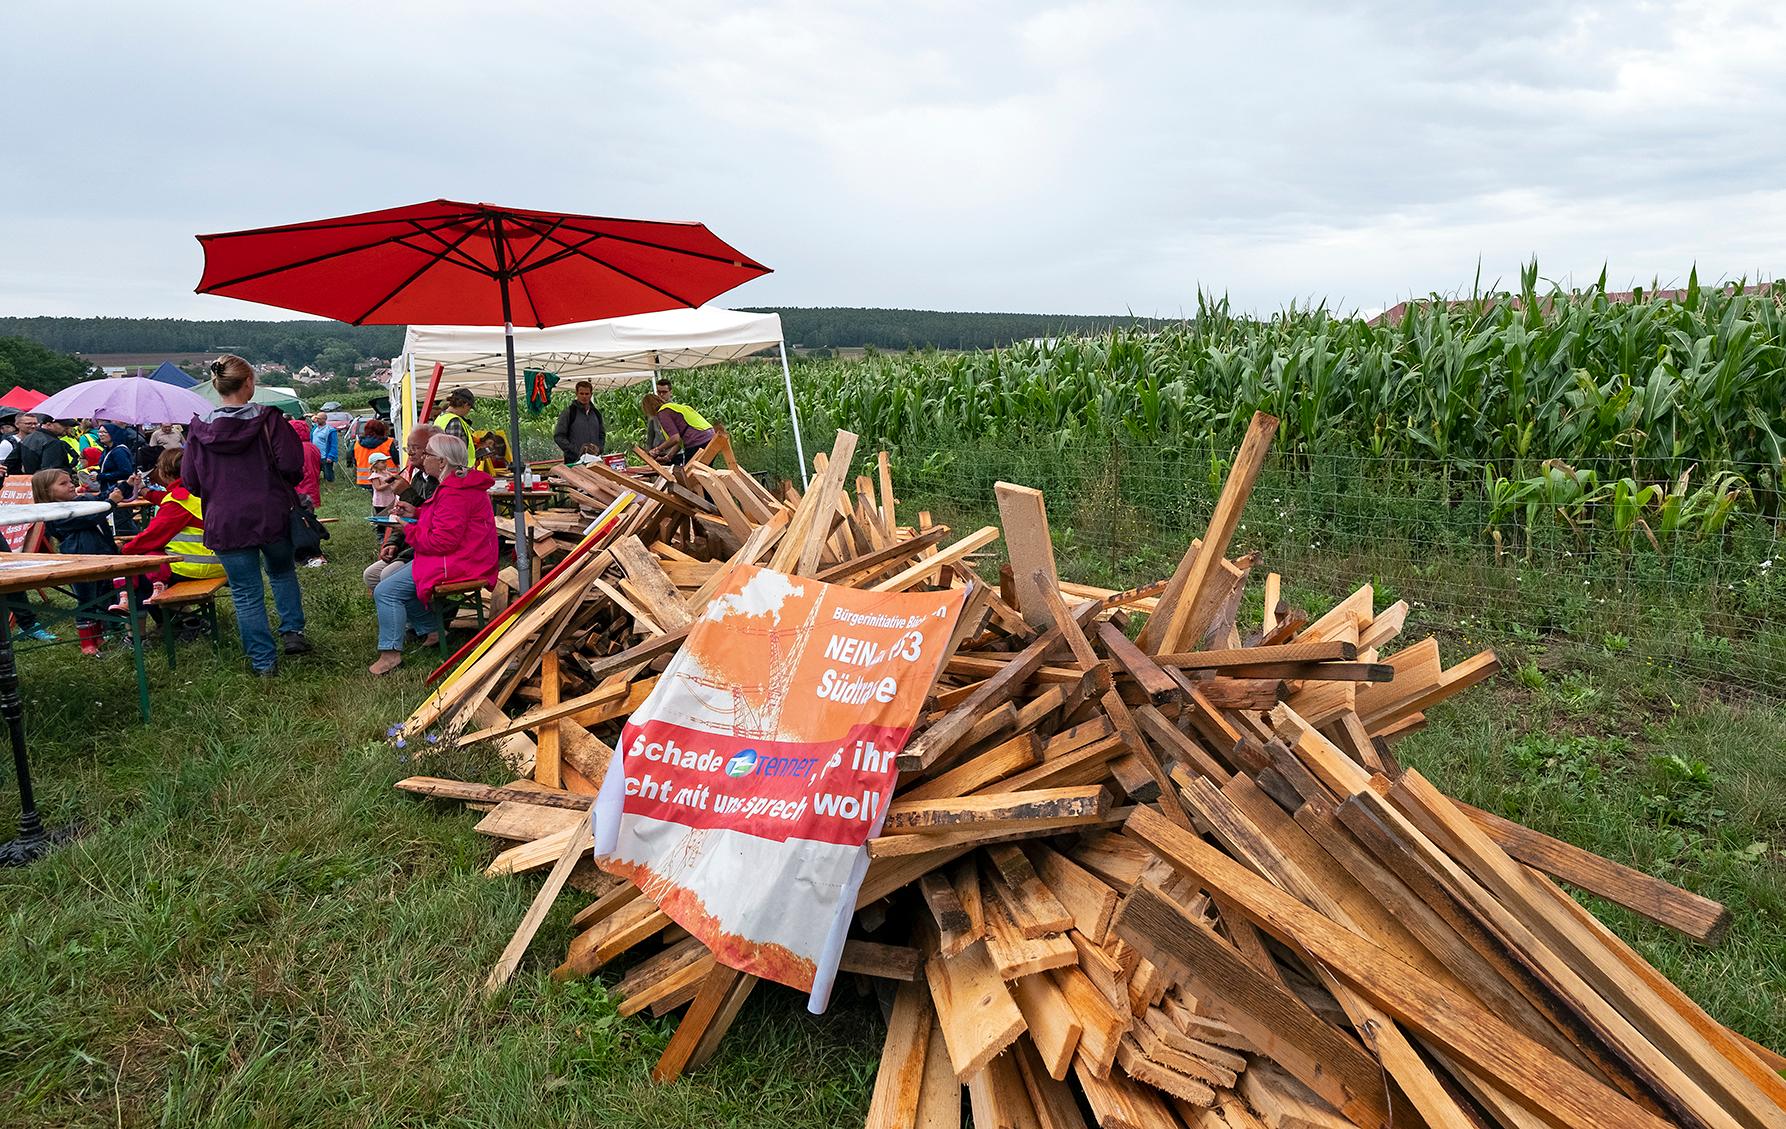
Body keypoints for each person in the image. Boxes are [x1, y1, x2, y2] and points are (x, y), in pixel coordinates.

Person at [183, 354, 311, 677]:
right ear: (250, 383)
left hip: (225, 521)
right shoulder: (270, 420)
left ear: (216, 386)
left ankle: (263, 663)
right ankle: (292, 632)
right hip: (271, 515)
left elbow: (191, 482)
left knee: (245, 592)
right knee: (281, 573)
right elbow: (293, 465)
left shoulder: (198, 429)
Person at [369, 432, 497, 676]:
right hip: (465, 557)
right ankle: (433, 629)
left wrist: (408, 529)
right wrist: (416, 515)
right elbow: (445, 523)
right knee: (391, 581)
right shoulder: (456, 485)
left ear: (442, 462)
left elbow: (442, 541)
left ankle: (391, 654)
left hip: (460, 562)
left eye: (427, 453)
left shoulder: (454, 492)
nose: (422, 457)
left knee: (386, 590)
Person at [32, 468, 125, 655]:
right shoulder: (54, 514)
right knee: (86, 600)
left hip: (102, 555)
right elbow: (90, 518)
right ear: (46, 491)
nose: (71, 485)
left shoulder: (80, 502)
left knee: (106, 593)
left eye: (70, 481)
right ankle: (87, 642)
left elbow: (98, 502)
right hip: (78, 560)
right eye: (63, 483)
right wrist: (111, 504)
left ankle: (104, 632)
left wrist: (126, 485)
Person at [363, 424, 440, 593]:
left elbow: (431, 520)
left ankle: (423, 616)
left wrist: (406, 492)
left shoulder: (442, 481)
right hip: (411, 546)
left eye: (417, 448)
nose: (410, 453)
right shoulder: (419, 477)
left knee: (388, 577)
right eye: (408, 447)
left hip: (427, 550)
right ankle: (414, 614)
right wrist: (392, 543)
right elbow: (409, 517)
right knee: (371, 575)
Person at [641, 393, 716, 466]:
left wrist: (657, 450)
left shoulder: (663, 413)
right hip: (710, 436)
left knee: (690, 472)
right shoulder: (672, 407)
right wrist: (668, 457)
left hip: (698, 441)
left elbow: (675, 438)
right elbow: (679, 441)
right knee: (705, 469)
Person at [553, 380, 606, 462]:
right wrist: (576, 451)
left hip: (594, 461)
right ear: (576, 394)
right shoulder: (569, 412)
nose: (584, 396)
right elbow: (559, 437)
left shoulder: (596, 413)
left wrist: (599, 449)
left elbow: (602, 435)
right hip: (574, 462)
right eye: (581, 393)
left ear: (591, 394)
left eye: (587, 394)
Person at [353, 418, 395, 491]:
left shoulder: (357, 444)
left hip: (364, 479)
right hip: (386, 478)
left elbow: (354, 461)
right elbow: (397, 459)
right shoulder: (388, 442)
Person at [309, 411, 340, 482]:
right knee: (315, 474)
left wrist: (330, 456)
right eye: (316, 418)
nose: (317, 420)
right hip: (315, 455)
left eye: (319, 418)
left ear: (324, 419)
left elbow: (333, 444)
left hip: (325, 456)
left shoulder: (330, 430)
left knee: (328, 475)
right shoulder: (315, 428)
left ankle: (331, 485)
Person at [644, 376, 673, 450]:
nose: (661, 395)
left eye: (664, 392)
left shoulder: (675, 410)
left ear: (670, 392)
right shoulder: (654, 412)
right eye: (659, 392)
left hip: (673, 452)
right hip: (658, 452)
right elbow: (650, 436)